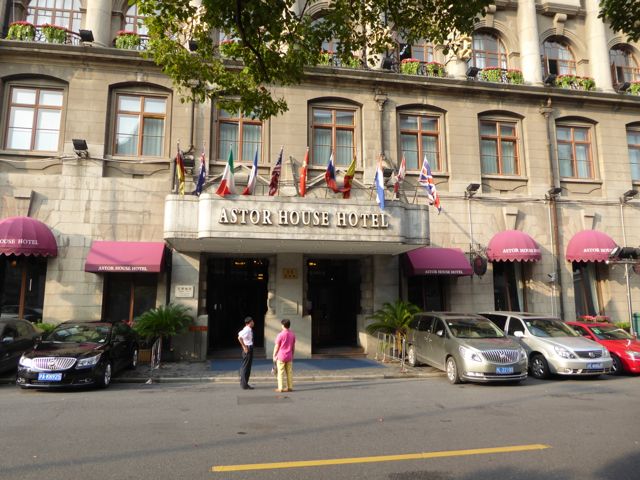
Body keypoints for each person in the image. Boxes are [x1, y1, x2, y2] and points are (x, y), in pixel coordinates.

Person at [272, 318, 296, 393]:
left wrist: (274, 355)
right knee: (289, 372)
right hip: (289, 355)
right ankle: (290, 387)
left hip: (281, 356)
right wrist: (292, 354)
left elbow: (277, 346)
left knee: (280, 372)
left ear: (283, 325)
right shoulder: (292, 334)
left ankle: (281, 388)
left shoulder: (280, 335)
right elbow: (293, 347)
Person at [238, 316, 254, 390]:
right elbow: (239, 337)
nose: (253, 322)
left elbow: (239, 334)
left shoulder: (247, 329)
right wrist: (244, 347)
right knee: (246, 367)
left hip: (248, 347)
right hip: (248, 348)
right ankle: (244, 384)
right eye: (252, 321)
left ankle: (244, 383)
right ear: (249, 323)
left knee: (247, 366)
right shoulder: (247, 330)